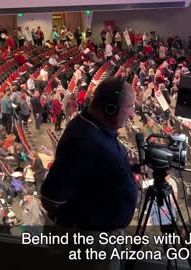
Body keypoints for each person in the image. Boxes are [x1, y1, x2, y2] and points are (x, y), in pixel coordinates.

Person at [41, 77, 138, 267]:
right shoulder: (84, 141)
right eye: (130, 107)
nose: (133, 114)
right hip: (91, 244)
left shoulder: (95, 128)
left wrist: (127, 165)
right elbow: (51, 199)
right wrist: (83, 224)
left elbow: (96, 168)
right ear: (110, 108)